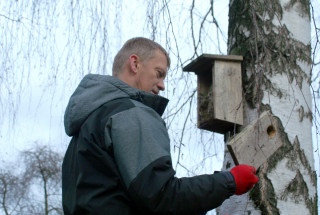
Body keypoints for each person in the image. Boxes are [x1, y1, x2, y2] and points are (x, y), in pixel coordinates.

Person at [62, 37, 259, 215]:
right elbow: (163, 196)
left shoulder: (88, 121)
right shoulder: (132, 113)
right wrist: (230, 181)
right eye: (159, 73)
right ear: (135, 63)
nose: (162, 85)